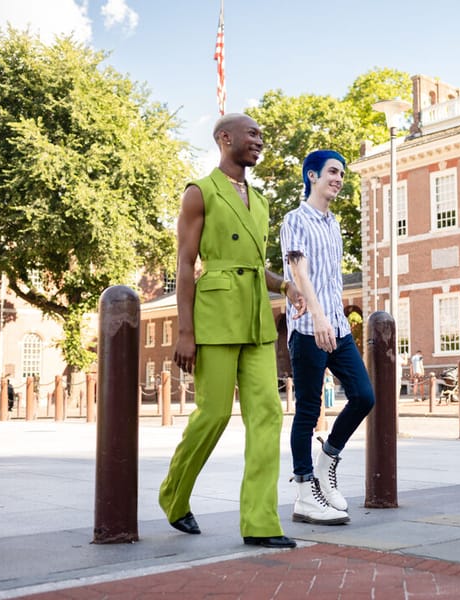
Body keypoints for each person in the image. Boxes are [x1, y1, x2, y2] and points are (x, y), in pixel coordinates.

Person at [159, 113, 301, 550]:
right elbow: (184, 264)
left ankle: (260, 521)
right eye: (252, 134)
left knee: (268, 414)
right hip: (215, 315)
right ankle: (174, 495)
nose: (260, 140)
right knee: (215, 414)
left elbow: (256, 265)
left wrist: (285, 285)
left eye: (261, 134)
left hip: (257, 318)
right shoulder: (199, 192)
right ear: (225, 139)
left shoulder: (259, 201)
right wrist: (186, 331)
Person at [281, 149, 376, 525]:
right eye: (332, 172)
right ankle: (305, 493)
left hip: (337, 326)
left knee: (364, 395)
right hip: (308, 328)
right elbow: (299, 270)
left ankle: (326, 463)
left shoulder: (334, 223)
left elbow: (331, 278)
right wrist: (317, 316)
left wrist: (332, 319)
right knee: (307, 408)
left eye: (341, 173)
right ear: (312, 176)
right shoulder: (295, 219)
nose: (338, 178)